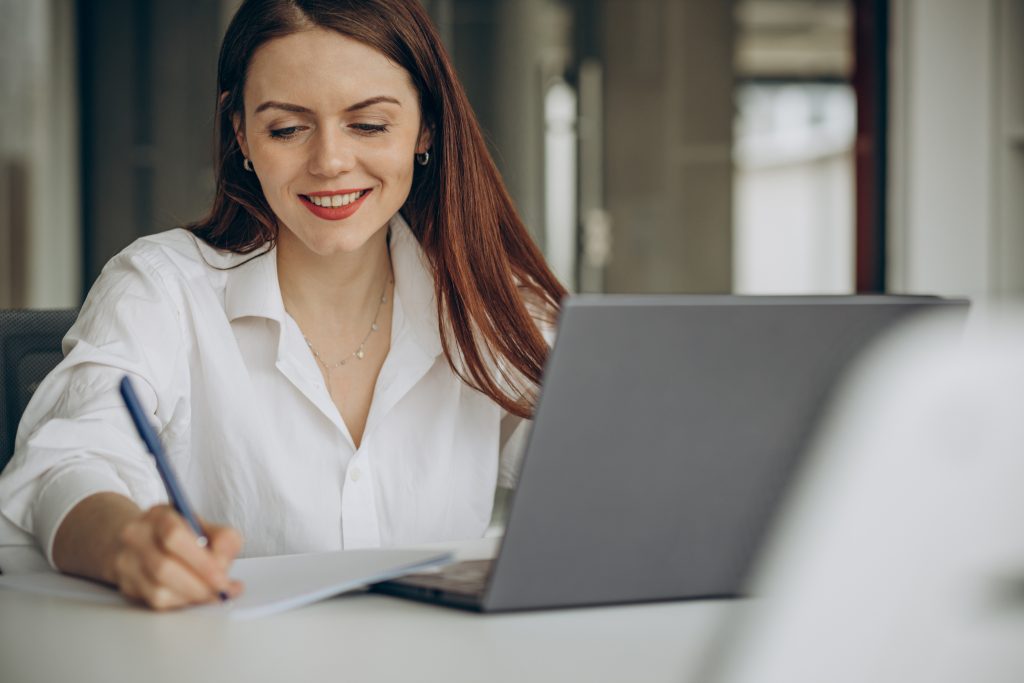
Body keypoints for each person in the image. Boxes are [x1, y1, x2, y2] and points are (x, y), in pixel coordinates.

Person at [0, 0, 565, 610]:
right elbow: (67, 463)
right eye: (287, 129)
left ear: (425, 127)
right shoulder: (161, 287)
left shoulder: (484, 301)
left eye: (369, 125)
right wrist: (127, 542)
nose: (329, 162)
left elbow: (592, 469)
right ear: (241, 132)